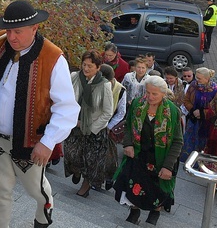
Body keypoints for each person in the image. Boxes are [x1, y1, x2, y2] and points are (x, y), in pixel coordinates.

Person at [0, 0, 79, 228]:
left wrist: (48, 142)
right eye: (8, 30)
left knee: (36, 189)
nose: (11, 37)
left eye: (18, 32)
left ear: (34, 28)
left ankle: (45, 211)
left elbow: (67, 108)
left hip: (31, 141)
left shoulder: (53, 58)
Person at [113, 76, 183, 225]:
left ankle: (155, 212)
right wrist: (128, 144)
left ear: (164, 93)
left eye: (154, 94)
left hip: (160, 159)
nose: (150, 97)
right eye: (148, 92)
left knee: (156, 189)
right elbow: (128, 127)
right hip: (139, 155)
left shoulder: (172, 111)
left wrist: (167, 166)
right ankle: (134, 211)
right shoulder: (137, 104)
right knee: (133, 184)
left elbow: (177, 141)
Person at [63, 51, 114, 196]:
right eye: (84, 65)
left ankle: (85, 187)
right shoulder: (74, 77)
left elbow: (107, 112)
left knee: (91, 161)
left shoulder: (104, 86)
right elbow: (66, 98)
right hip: (74, 124)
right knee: (71, 154)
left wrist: (90, 127)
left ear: (98, 67)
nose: (85, 69)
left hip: (94, 130)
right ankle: (76, 171)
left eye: (90, 66)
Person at [180, 67, 217, 162]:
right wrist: (192, 110)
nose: (196, 80)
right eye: (196, 77)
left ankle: (200, 163)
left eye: (199, 78)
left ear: (207, 79)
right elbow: (186, 100)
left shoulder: (216, 91)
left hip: (206, 123)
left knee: (203, 144)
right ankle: (186, 161)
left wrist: (202, 113)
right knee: (189, 141)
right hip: (193, 120)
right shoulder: (193, 85)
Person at [102, 63, 126, 190]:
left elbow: (121, 113)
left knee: (109, 154)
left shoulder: (120, 90)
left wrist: (108, 126)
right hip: (95, 123)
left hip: (110, 126)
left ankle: (108, 178)